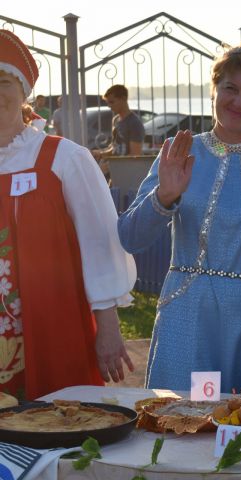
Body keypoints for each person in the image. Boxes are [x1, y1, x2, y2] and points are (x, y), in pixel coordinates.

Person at [118, 43, 241, 392]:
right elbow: (130, 237)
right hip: (187, 317)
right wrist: (164, 196)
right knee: (176, 430)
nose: (239, 102)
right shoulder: (179, 150)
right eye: (230, 89)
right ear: (214, 89)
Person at [0, 30, 136, 400]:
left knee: (58, 432)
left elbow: (100, 243)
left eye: (3, 82)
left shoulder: (64, 157)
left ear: (23, 90)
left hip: (53, 326)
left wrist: (107, 328)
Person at [92, 84, 145, 177]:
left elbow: (135, 155)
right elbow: (116, 147)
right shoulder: (115, 120)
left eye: (112, 102)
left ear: (123, 99)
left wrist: (110, 166)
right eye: (108, 103)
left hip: (128, 174)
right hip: (114, 173)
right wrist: (100, 153)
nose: (109, 106)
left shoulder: (134, 123)